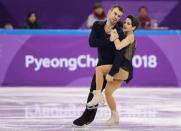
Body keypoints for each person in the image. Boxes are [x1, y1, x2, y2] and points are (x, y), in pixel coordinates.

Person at [73, 5, 125, 126]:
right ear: (109, 12)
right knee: (94, 91)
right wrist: (109, 40)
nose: (116, 17)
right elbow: (92, 42)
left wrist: (113, 71)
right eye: (115, 13)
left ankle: (89, 118)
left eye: (119, 16)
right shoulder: (97, 25)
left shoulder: (119, 30)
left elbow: (120, 53)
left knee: (100, 92)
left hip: (112, 66)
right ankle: (88, 118)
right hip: (101, 64)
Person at [87, 15, 139, 125]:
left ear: (133, 28)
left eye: (128, 23)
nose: (125, 24)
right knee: (108, 92)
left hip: (123, 68)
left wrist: (114, 36)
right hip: (122, 68)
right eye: (125, 22)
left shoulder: (130, 37)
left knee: (99, 69)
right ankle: (115, 116)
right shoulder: (125, 34)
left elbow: (119, 47)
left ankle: (97, 96)